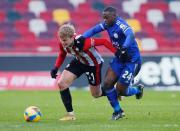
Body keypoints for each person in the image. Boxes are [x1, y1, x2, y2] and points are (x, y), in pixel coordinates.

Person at [82, 6, 144, 120]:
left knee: (121, 90)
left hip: (131, 60)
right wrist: (81, 38)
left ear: (114, 16)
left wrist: (124, 47)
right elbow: (94, 30)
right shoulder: (107, 24)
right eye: (103, 17)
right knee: (107, 84)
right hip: (119, 58)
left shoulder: (121, 24)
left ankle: (137, 90)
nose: (104, 20)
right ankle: (118, 111)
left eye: (106, 17)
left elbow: (130, 34)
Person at [50, 24, 121, 121]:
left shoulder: (83, 41)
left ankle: (115, 91)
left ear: (72, 37)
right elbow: (62, 54)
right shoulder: (63, 43)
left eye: (65, 40)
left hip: (93, 65)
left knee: (96, 94)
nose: (63, 42)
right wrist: (56, 67)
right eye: (61, 39)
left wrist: (116, 52)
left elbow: (104, 41)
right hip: (79, 61)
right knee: (62, 83)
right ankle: (70, 115)